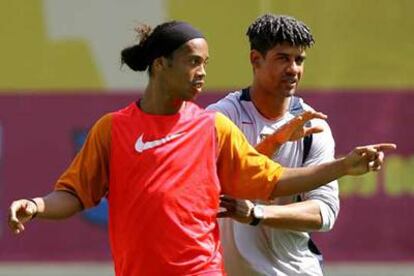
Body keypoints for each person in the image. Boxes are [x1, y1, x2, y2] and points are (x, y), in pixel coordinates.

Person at [7, 20, 395, 276]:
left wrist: (344, 166)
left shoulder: (212, 127)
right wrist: (38, 206)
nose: (203, 72)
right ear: (161, 65)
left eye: (205, 62)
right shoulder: (113, 129)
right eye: (193, 62)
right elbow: (73, 194)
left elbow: (273, 180)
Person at [207, 14, 371, 275]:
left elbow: (324, 213)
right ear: (255, 60)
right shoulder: (222, 118)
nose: (293, 68)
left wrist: (257, 213)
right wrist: (274, 142)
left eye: (299, 60)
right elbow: (214, 185)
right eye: (283, 58)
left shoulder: (314, 127)